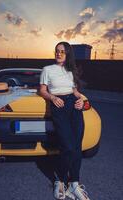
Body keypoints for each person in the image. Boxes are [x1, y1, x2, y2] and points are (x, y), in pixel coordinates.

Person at [40, 41, 90, 200]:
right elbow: (42, 90)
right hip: (59, 105)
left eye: (62, 51)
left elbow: (75, 91)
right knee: (67, 146)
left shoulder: (71, 71)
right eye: (57, 51)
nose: (58, 53)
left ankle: (74, 184)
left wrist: (81, 100)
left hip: (75, 106)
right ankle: (60, 181)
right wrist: (53, 97)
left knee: (76, 146)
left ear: (67, 54)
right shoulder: (47, 70)